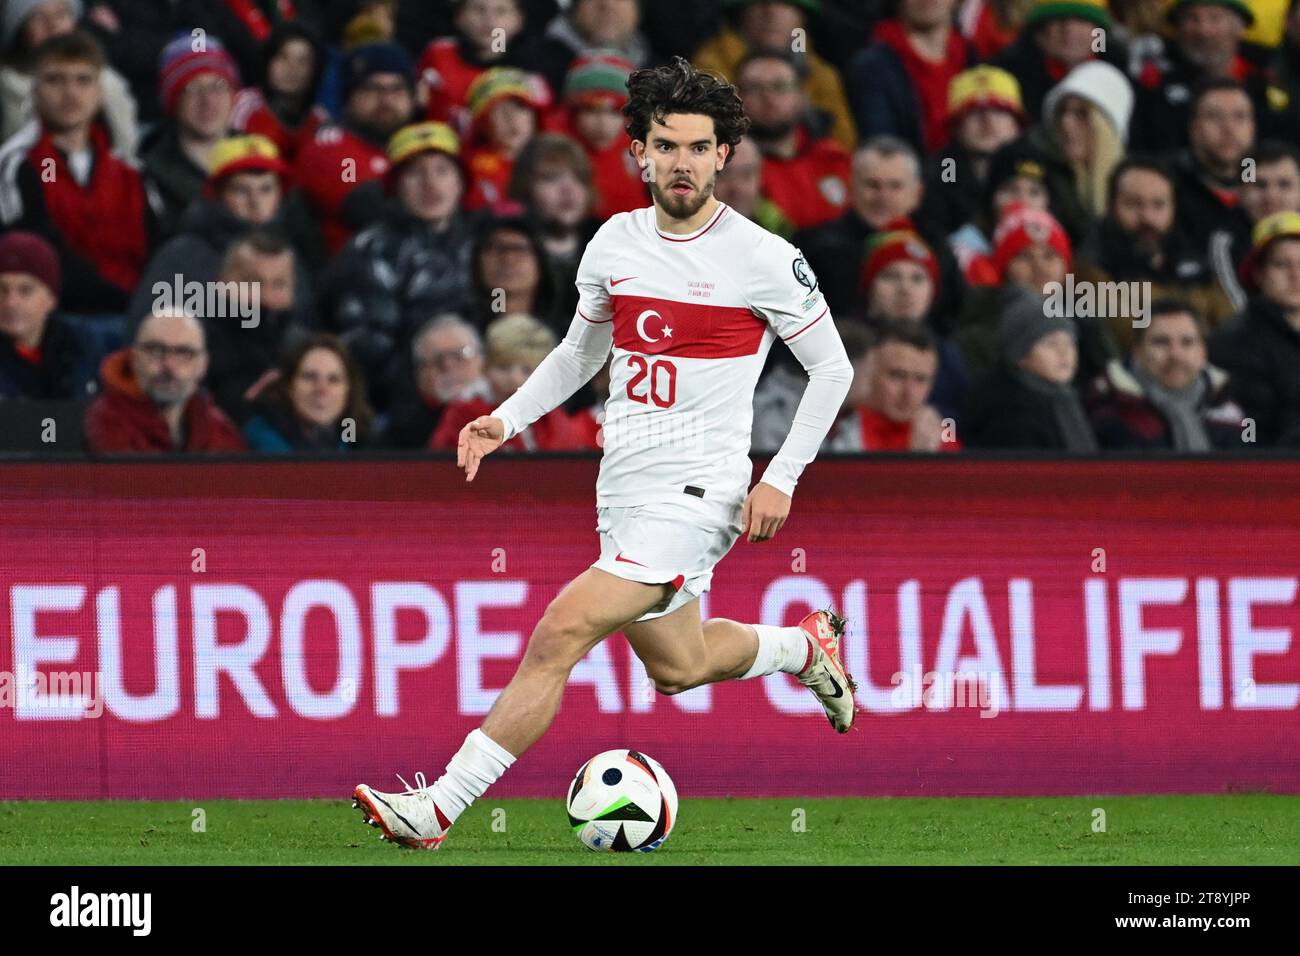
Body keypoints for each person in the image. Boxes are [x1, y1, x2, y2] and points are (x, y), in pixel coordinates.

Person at [353, 56, 857, 851]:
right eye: (666, 145)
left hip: (701, 490)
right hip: (623, 486)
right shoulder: (613, 242)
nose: (682, 162)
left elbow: (833, 367)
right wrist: (504, 420)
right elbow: (579, 354)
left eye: (699, 147)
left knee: (561, 631)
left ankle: (437, 807)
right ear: (639, 153)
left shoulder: (762, 257)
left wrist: (781, 476)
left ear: (724, 154)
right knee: (678, 666)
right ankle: (804, 648)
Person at [0, 30, 156, 314]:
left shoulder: (130, 172)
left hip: (135, 318)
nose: (70, 93)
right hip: (59, 321)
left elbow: (157, 250)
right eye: (55, 80)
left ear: (99, 92)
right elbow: (35, 251)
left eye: (83, 80)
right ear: (34, 90)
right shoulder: (19, 165)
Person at [83, 308, 246, 453]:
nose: (169, 365)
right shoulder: (106, 421)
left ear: (203, 365)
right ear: (134, 358)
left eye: (184, 352)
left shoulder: (219, 428)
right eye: (155, 350)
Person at [1087, 300, 1245, 450]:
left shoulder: (1230, 409)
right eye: (1161, 342)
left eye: (1187, 342)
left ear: (1203, 351)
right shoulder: (1107, 414)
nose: (1176, 354)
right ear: (1137, 351)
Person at [428, 312, 586, 452]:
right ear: (485, 368)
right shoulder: (465, 413)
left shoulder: (550, 415)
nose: (514, 378)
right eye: (503, 367)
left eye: (527, 370)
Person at [1209, 210, 1300, 444]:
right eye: (1282, 264)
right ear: (1259, 274)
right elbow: (1252, 434)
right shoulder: (1234, 342)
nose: (1295, 275)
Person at [0, 229, 101, 399]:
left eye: (26, 290)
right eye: (2, 290)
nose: (11, 302)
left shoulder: (83, 344)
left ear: (51, 298)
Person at [244, 333, 375, 452]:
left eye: (334, 380)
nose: (322, 389)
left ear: (349, 390)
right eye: (310, 377)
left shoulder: (355, 440)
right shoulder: (262, 433)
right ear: (289, 387)